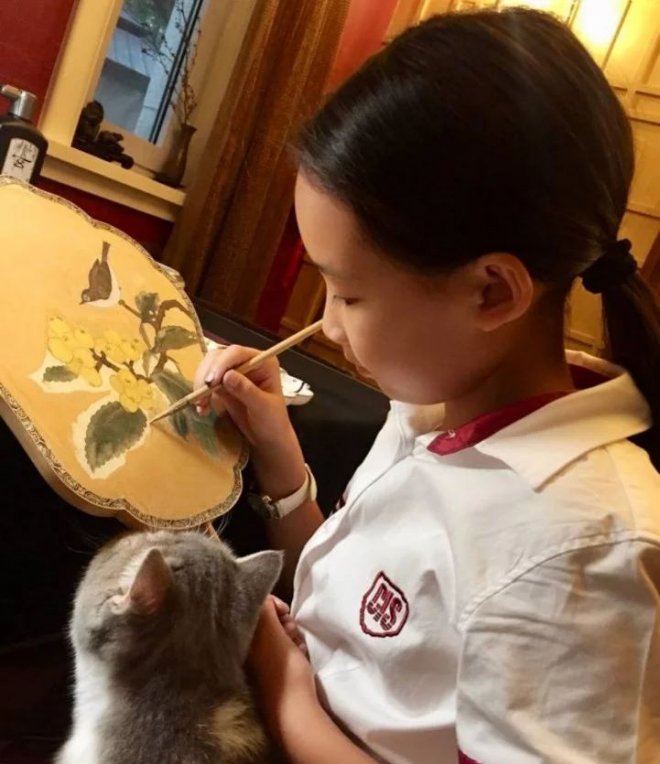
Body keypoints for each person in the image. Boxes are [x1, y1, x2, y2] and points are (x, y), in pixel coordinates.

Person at [194, 8, 660, 764]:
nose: (328, 326)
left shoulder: (578, 551)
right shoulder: (432, 405)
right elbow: (374, 624)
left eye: (348, 293)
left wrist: (282, 683)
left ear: (491, 292)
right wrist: (279, 455)